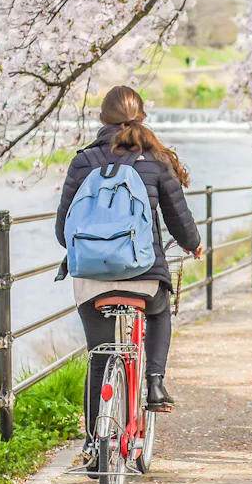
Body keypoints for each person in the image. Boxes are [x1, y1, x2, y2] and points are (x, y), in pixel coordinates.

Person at [55, 86, 203, 429]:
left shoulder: (82, 162)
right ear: (142, 118)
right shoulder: (156, 161)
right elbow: (179, 219)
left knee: (100, 357)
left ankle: (95, 445)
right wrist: (193, 244)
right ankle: (154, 382)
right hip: (144, 275)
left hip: (92, 280)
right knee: (160, 310)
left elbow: (63, 231)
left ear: (101, 119)